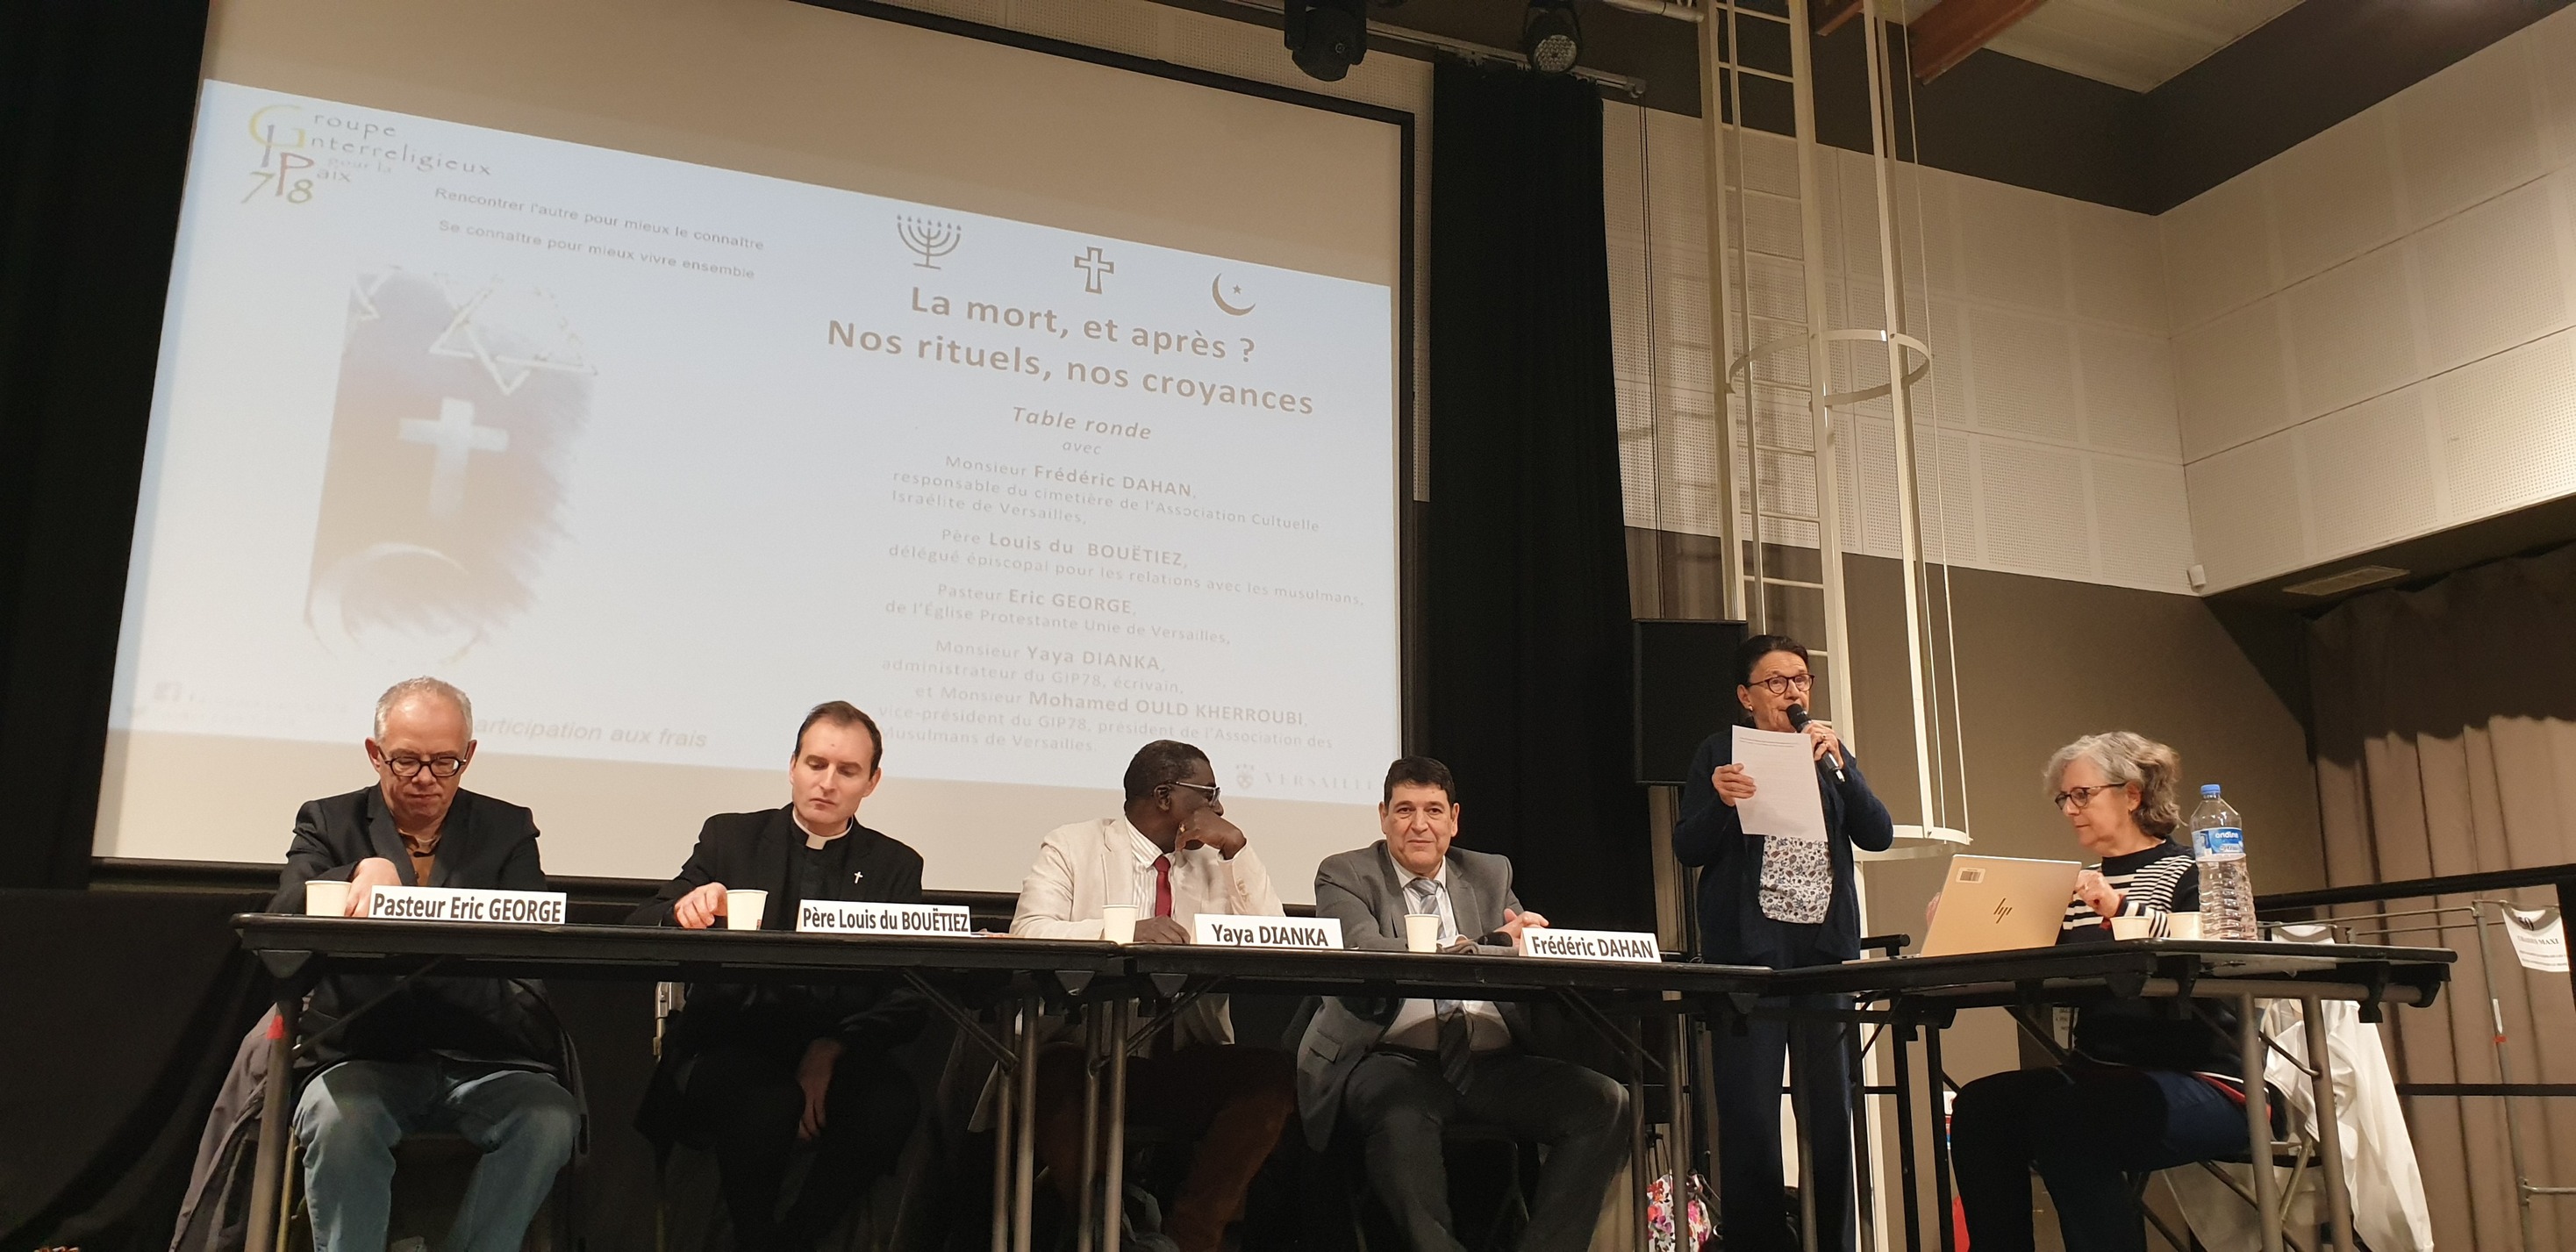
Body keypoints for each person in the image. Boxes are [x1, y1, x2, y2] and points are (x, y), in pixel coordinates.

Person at [275, 676, 581, 1252]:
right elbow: (281, 925)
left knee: (549, 1118)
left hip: (482, 1054)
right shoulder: (330, 821)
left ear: (469, 755)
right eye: (407, 761)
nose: (425, 778)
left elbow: (531, 946)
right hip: (363, 1055)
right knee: (341, 1120)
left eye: (445, 763)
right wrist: (355, 873)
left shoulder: (507, 828)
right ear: (375, 754)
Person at [1295, 756, 1630, 1252]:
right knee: (1401, 1113)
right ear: (1383, 817)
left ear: (1454, 819)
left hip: (1491, 1066)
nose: (1419, 824)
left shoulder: (1490, 873)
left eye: (1433, 810)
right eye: (1404, 810)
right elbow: (1367, 950)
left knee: (1605, 1103)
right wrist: (1491, 943)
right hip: (1388, 1057)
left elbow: (1523, 948)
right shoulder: (1346, 873)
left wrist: (1526, 943)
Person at [629, 701, 927, 1252]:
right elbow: (642, 922)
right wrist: (684, 909)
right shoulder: (731, 838)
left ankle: (794, 1239)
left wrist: (832, 1048)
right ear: (792, 766)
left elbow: (911, 993)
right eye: (816, 764)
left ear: (872, 782)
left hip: (842, 1046)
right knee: (767, 1103)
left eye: (848, 771)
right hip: (731, 1043)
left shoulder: (895, 866)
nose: (827, 783)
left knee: (890, 1104)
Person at [1946, 732, 2258, 1252]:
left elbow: (2211, 946)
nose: (2070, 810)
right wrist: (1964, 923)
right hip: (2098, 1076)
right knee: (1981, 1108)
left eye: (2082, 795)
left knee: (2070, 1120)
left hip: (2203, 1080)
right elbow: (2043, 966)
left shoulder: (2195, 870)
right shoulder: (2071, 886)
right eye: (2063, 799)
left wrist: (2120, 911)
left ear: (2132, 794)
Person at [1011, 740, 1296, 1252]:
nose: (1219, 808)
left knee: (1267, 1076)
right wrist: (1123, 933)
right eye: (1208, 793)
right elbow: (1029, 931)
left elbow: (1276, 941)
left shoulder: (1216, 861)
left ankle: (1191, 1237)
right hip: (1089, 1056)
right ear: (1165, 796)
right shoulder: (1073, 845)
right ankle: (1115, 1233)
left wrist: (1238, 850)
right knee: (1050, 1071)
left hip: (1180, 1059)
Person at [1675, 634, 1893, 1252]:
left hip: (1822, 955)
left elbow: (1877, 833)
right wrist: (1721, 802)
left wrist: (1844, 769)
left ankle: (1835, 1243)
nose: (1792, 691)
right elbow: (1688, 847)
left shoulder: (1826, 751)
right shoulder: (1720, 752)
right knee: (1750, 1116)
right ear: (1746, 696)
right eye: (1776, 681)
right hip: (1750, 958)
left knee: (1831, 1113)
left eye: (1800, 679)